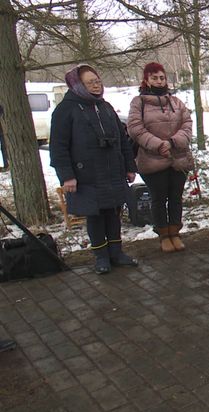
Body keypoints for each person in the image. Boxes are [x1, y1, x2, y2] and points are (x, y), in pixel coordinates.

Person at [50, 64, 138, 275]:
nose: (96, 86)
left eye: (97, 81)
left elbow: (122, 140)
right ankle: (101, 257)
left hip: (112, 172)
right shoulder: (66, 110)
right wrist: (67, 176)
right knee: (96, 216)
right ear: (78, 85)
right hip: (86, 175)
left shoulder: (105, 107)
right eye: (90, 83)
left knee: (114, 214)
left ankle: (116, 253)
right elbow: (58, 147)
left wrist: (129, 166)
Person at [127, 62, 194, 253]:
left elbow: (187, 124)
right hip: (152, 159)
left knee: (176, 198)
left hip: (177, 157)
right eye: (154, 77)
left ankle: (175, 232)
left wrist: (173, 142)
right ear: (146, 79)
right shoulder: (138, 103)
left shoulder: (176, 102)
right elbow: (135, 129)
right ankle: (164, 235)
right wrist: (158, 144)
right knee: (158, 198)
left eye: (162, 77)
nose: (159, 81)